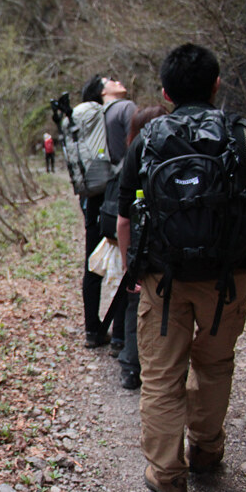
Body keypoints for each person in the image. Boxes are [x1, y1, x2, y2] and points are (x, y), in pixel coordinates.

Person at [116, 43, 246, 492]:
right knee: (215, 366)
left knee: (160, 376)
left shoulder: (149, 138)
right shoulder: (240, 135)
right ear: (217, 84)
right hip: (229, 279)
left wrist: (131, 269)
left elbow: (124, 217)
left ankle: (169, 478)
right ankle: (207, 452)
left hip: (162, 280)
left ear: (165, 91)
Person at [77, 74, 135, 348]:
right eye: (110, 79)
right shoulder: (125, 109)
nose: (117, 80)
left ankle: (93, 329)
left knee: (93, 261)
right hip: (119, 195)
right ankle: (120, 337)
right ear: (102, 92)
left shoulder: (94, 119)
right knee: (127, 260)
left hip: (95, 197)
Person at [116, 105, 168, 390]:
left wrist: (127, 262)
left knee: (135, 304)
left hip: (145, 249)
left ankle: (131, 367)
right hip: (181, 249)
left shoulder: (138, 149)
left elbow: (124, 219)